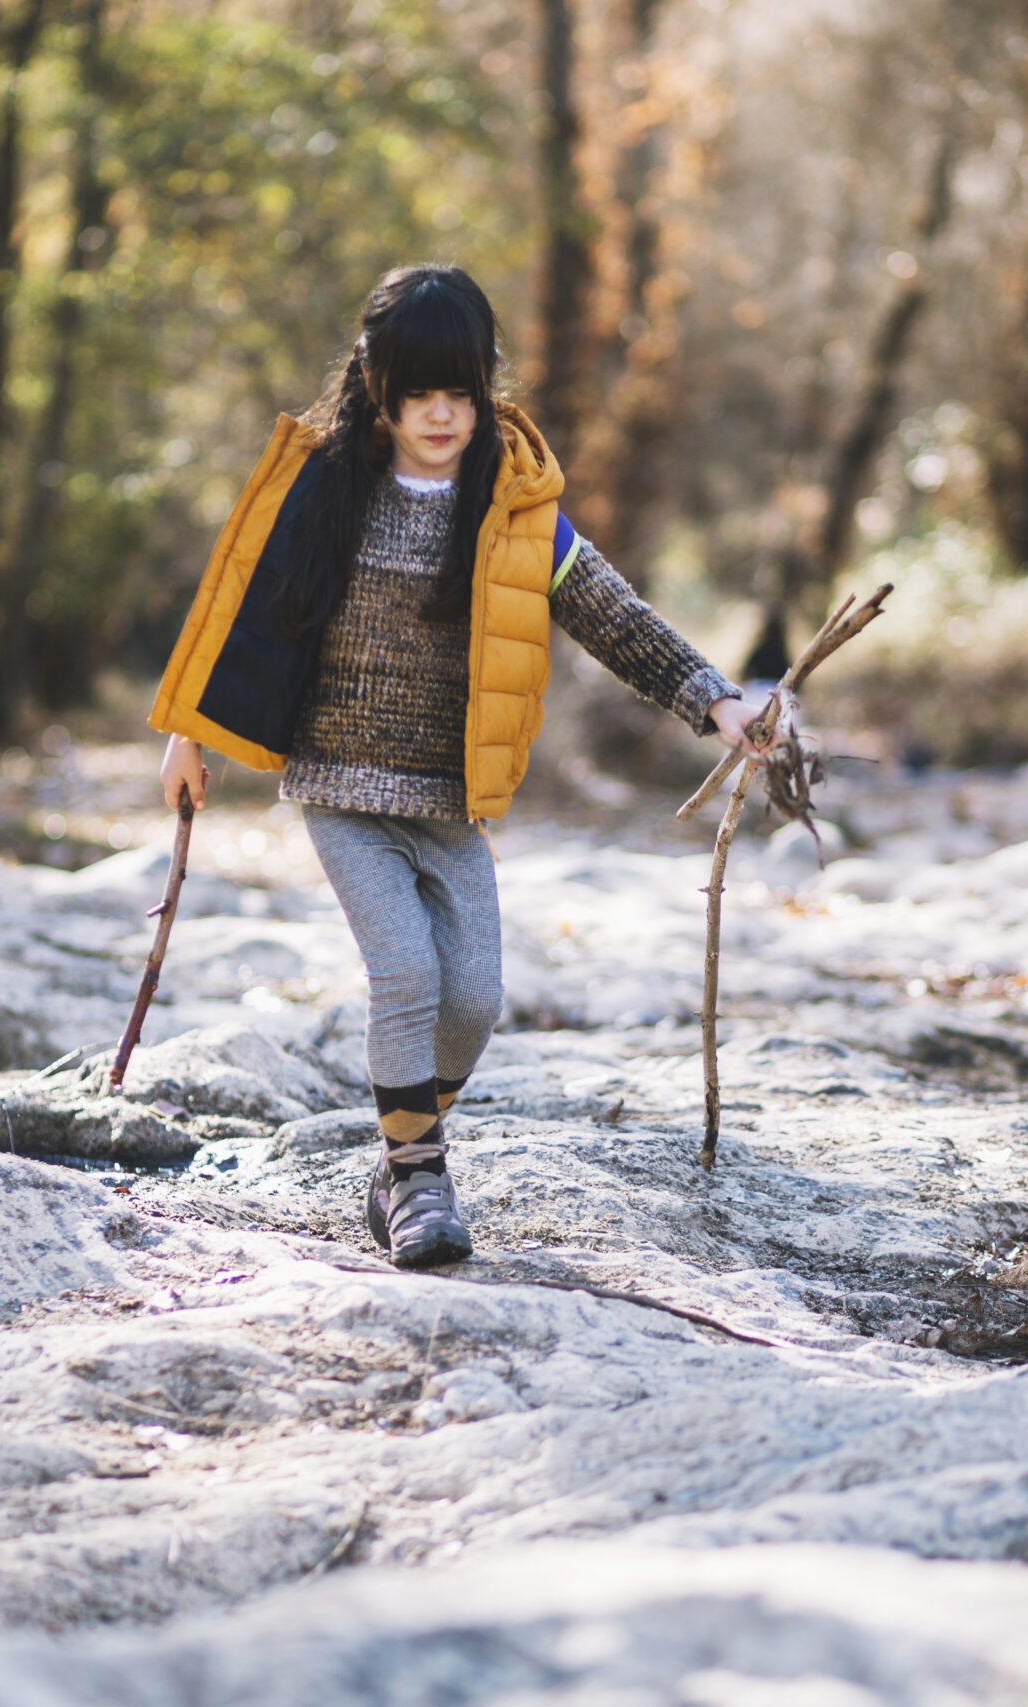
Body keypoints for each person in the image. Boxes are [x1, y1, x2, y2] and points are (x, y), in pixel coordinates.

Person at [148, 264, 771, 1270]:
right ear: (376, 391)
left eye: (459, 396)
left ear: (485, 392)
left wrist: (713, 695)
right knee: (403, 973)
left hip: (451, 799)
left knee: (472, 1000)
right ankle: (418, 1183)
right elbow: (242, 613)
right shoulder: (325, 489)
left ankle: (402, 1153)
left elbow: (612, 615)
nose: (439, 418)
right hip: (341, 788)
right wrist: (189, 732)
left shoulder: (518, 511)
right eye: (416, 398)